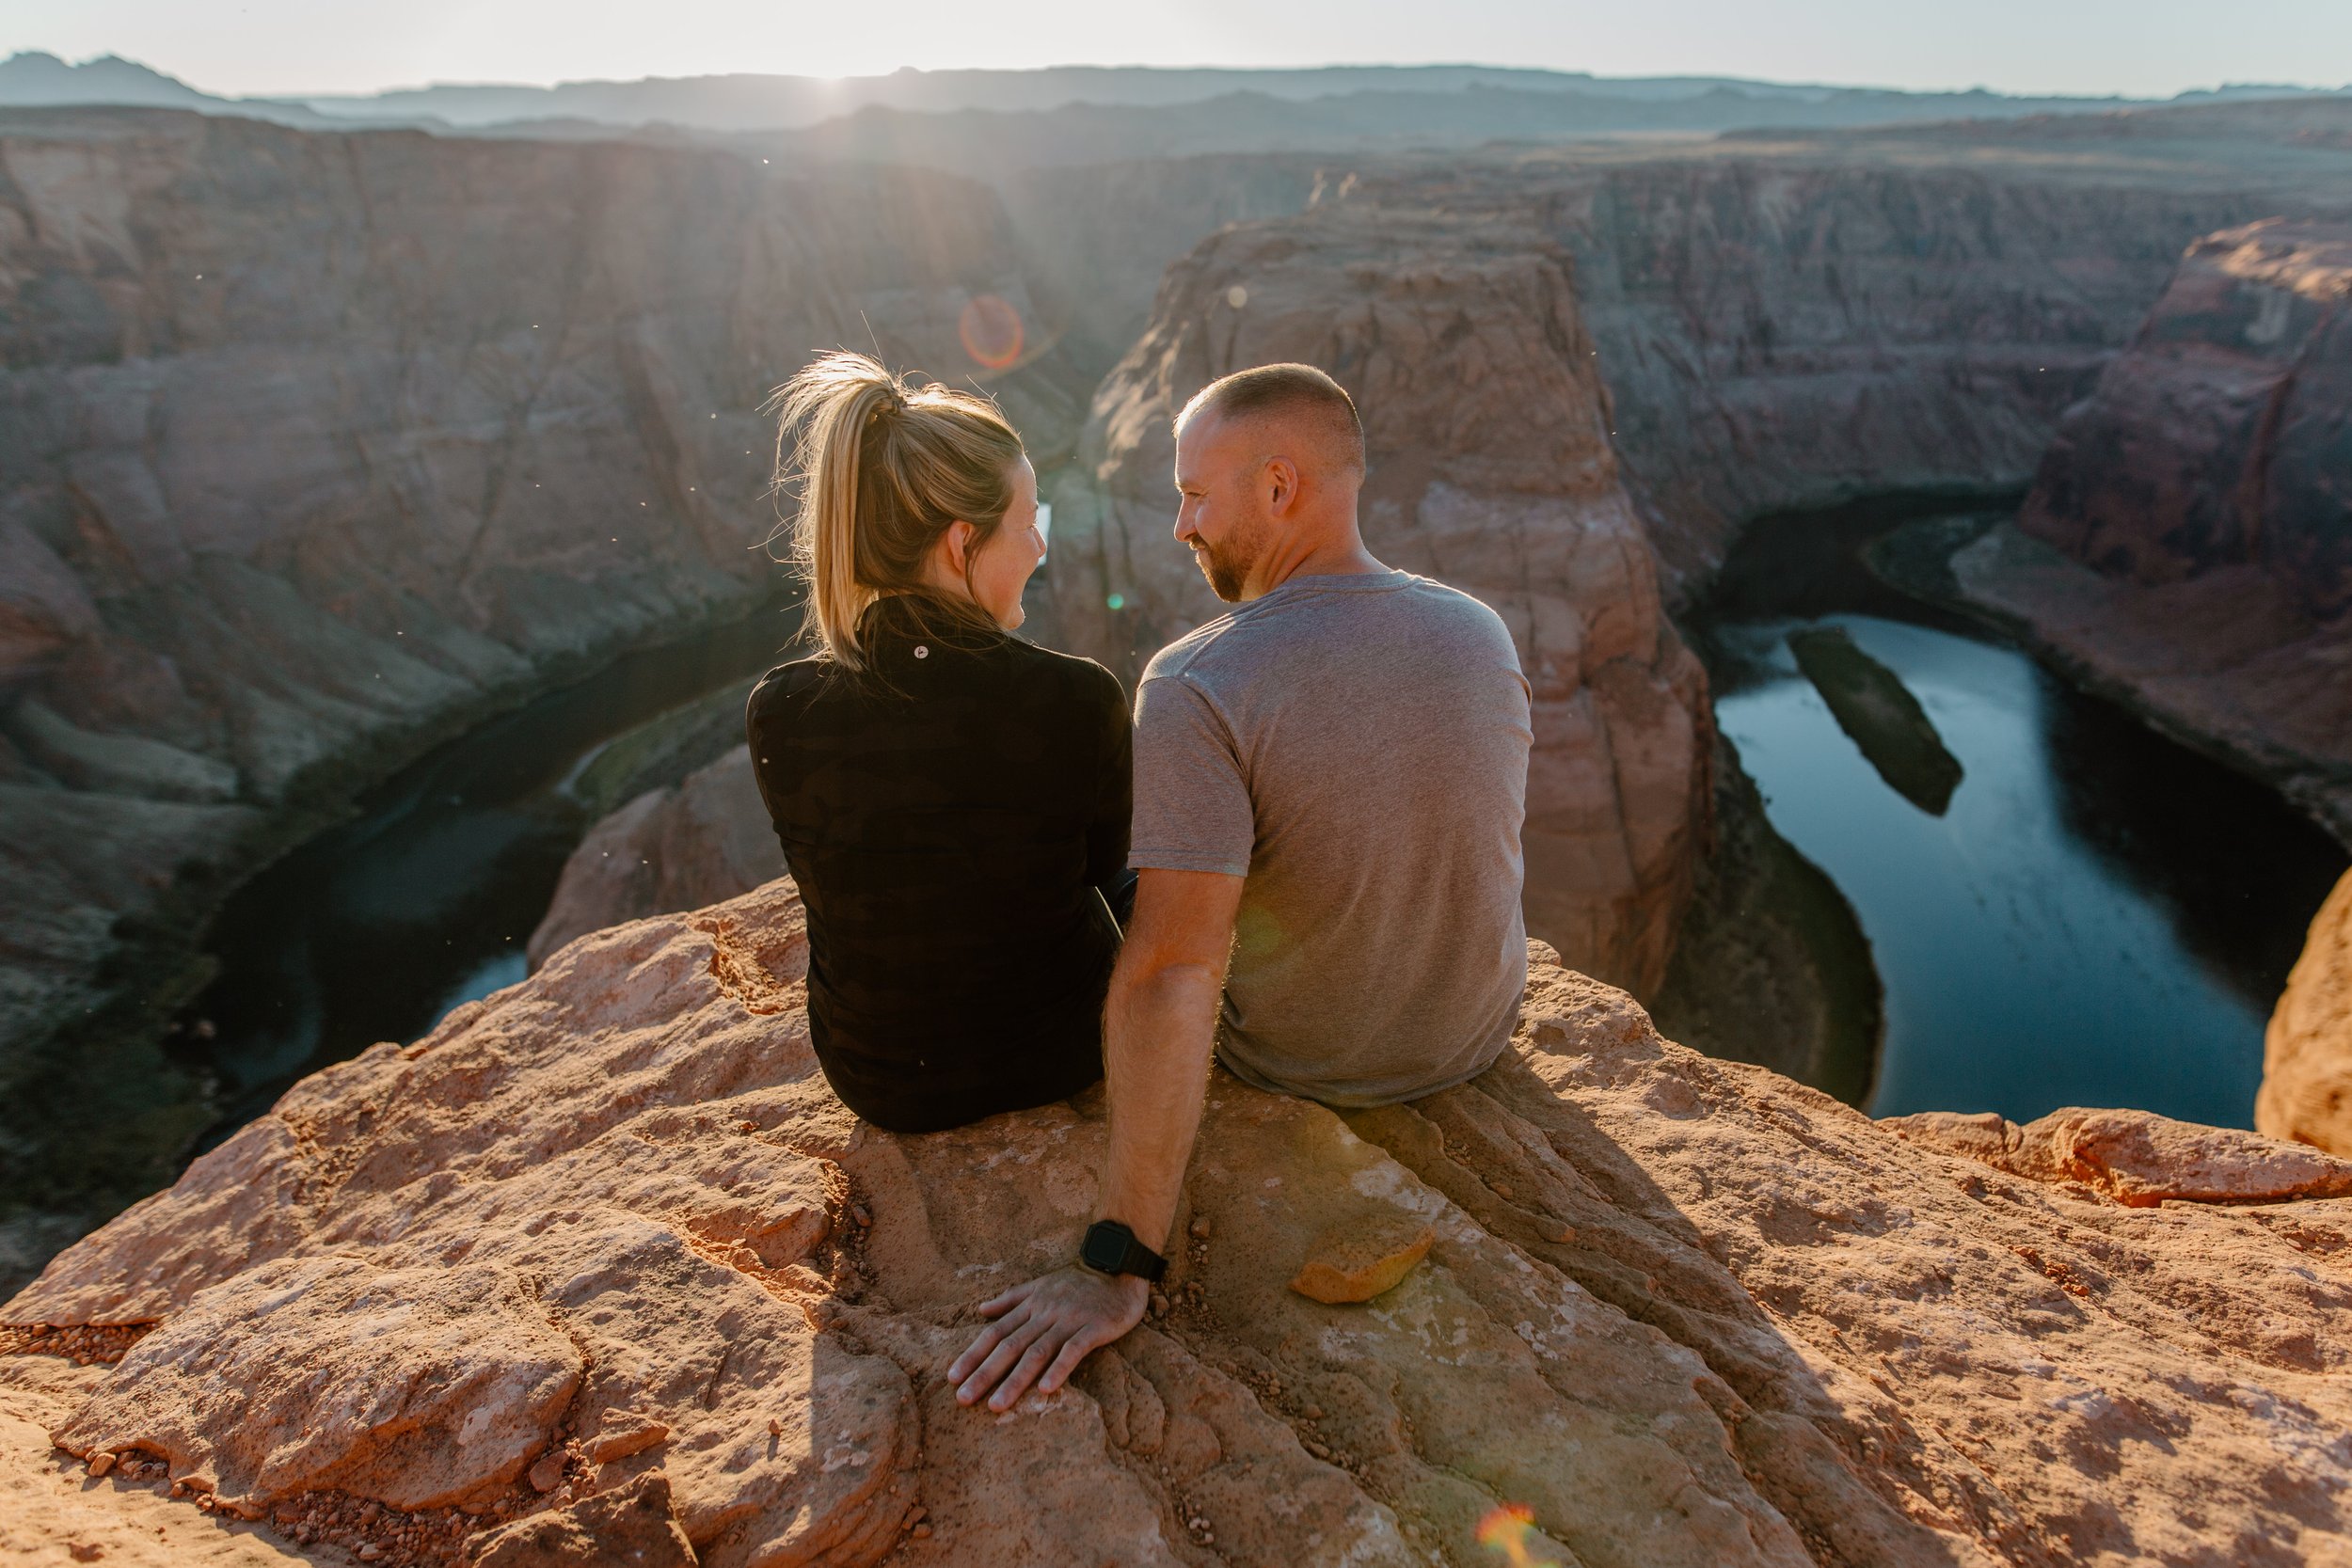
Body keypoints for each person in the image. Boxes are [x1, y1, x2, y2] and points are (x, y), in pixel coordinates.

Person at [949, 363, 1534, 1410]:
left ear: (1276, 486)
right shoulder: (1476, 629)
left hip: (1307, 1062)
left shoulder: (1197, 678)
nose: (1178, 526)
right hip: (1472, 1035)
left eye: (1193, 493)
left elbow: (1177, 970)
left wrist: (1114, 1259)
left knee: (1115, 897)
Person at [743, 351, 1133, 1133]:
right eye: (1027, 525)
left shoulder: (779, 709)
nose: (1041, 548)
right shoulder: (1076, 698)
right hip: (1060, 1052)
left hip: (876, 1077)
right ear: (961, 545)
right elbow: (1100, 872)